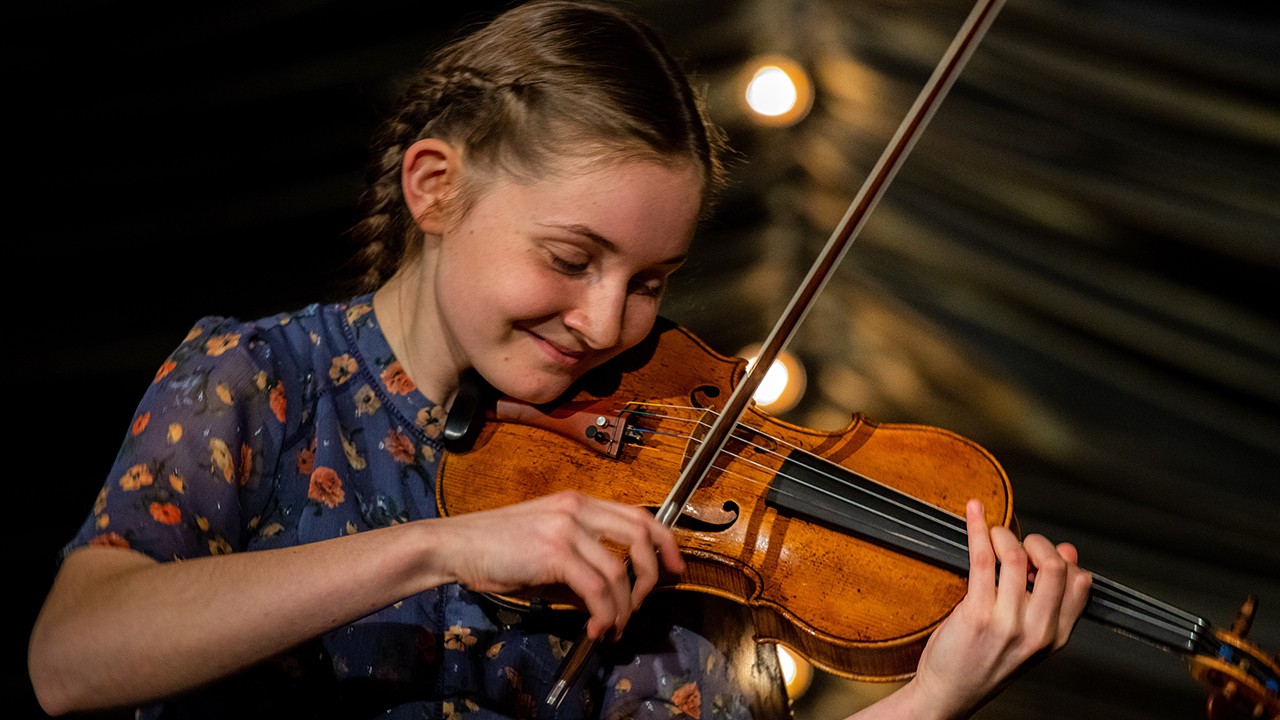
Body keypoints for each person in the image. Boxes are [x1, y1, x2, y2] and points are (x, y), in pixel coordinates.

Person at [27, 1, 1093, 718]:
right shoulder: (260, 380)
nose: (606, 321)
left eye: (649, 279)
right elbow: (72, 658)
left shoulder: (652, 513)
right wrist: (437, 549)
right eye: (571, 258)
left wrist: (926, 700)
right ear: (434, 189)